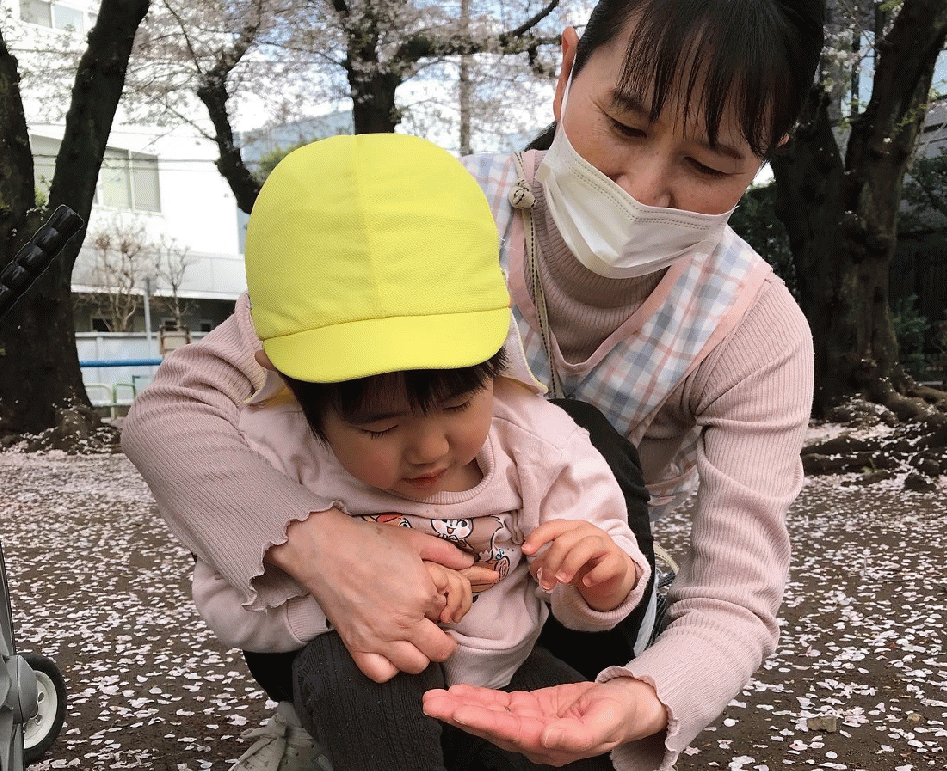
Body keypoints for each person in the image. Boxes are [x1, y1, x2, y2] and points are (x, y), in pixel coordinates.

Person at [122, 0, 824, 768]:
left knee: (591, 439)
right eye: (625, 124)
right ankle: (321, 714)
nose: (644, 186)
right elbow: (172, 412)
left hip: (549, 608)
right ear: (567, 68)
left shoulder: (754, 329)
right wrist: (326, 547)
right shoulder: (413, 220)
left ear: (769, 153)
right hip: (336, 609)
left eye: (710, 164)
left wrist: (644, 695)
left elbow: (735, 598)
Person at [187, 133, 650, 771]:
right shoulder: (278, 452)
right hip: (367, 670)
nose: (430, 448)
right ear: (307, 407)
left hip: (503, 671)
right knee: (360, 680)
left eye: (459, 406)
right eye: (380, 427)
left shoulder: (533, 439)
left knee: (574, 742)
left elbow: (599, 558)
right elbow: (223, 599)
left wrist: (605, 577)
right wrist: (336, 594)